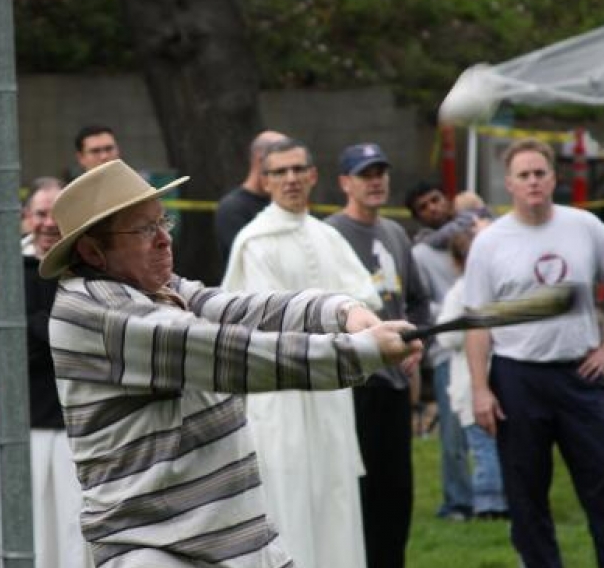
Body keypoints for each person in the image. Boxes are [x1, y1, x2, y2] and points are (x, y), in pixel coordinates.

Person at [39, 159, 422, 567]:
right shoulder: (97, 310)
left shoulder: (155, 288)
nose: (164, 240)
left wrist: (341, 311)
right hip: (153, 548)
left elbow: (236, 308)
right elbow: (227, 352)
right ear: (92, 251)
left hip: (233, 541)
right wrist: (361, 351)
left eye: (162, 222)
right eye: (144, 229)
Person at [464, 138, 604, 567]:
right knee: (526, 496)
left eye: (540, 173)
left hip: (578, 375)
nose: (533, 182)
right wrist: (479, 389)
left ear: (553, 178)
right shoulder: (490, 243)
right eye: (523, 175)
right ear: (509, 184)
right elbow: (477, 323)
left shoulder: (584, 226)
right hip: (517, 379)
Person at [221, 138, 380, 568]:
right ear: (265, 179)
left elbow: (366, 298)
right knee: (287, 497)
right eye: (279, 172)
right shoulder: (255, 241)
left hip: (330, 394)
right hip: (281, 394)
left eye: (297, 170)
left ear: (312, 175)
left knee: (335, 496)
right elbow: (264, 317)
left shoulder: (327, 237)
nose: (290, 179)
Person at [0, 181, 92, 568]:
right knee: (21, 533)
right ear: (25, 219)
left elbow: (92, 341)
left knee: (73, 532)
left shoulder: (88, 273)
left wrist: (33, 328)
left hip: (76, 425)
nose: (49, 224)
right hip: (18, 427)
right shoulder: (8, 273)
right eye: (40, 214)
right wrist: (56, 330)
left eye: (58, 215)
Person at [326, 143, 430, 568]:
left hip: (394, 384)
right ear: (344, 183)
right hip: (353, 384)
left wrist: (416, 346)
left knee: (396, 492)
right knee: (359, 491)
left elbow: (418, 302)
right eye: (365, 174)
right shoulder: (329, 235)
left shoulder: (394, 234)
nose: (375, 181)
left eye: (381, 172)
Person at [404, 181, 473, 522]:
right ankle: (458, 501)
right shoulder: (419, 254)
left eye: (435, 200)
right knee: (453, 429)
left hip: (491, 343)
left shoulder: (476, 231)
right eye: (423, 207)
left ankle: (498, 494)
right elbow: (420, 303)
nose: (432, 208)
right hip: (450, 349)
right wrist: (455, 312)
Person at [436, 229, 508, 520]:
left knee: (486, 445)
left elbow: (448, 337)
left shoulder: (471, 290)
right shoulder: (476, 290)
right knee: (490, 444)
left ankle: (493, 503)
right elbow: (450, 337)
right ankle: (497, 499)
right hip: (484, 377)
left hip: (484, 378)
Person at [214, 130, 288, 263]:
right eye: (282, 167)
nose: (289, 176)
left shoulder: (283, 204)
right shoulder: (232, 208)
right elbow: (250, 260)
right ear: (261, 160)